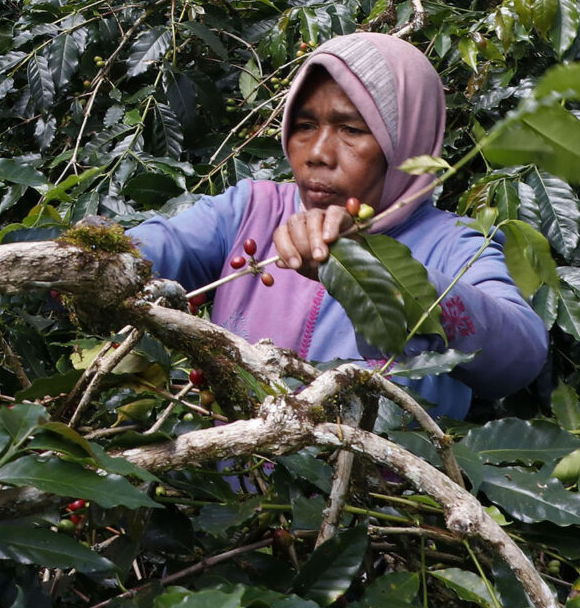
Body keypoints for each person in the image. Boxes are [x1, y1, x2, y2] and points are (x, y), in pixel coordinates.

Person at [132, 32, 546, 417]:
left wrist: (382, 275)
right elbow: (152, 251)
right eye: (305, 126)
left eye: (351, 130)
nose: (317, 153)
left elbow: (519, 358)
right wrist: (87, 254)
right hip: (236, 487)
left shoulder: (452, 244)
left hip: (379, 493)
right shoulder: (250, 210)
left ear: (406, 144)